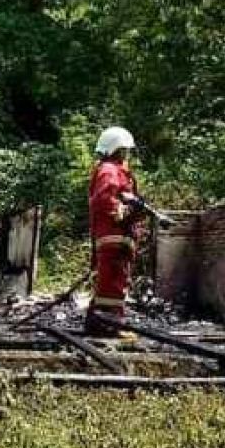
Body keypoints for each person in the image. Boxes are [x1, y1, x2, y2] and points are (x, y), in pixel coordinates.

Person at [86, 126, 145, 337]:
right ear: (117, 149)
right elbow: (105, 200)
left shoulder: (114, 170)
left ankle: (97, 322)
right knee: (113, 282)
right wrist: (122, 211)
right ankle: (109, 326)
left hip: (116, 235)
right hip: (114, 235)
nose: (127, 154)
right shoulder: (110, 171)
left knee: (111, 280)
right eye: (125, 150)